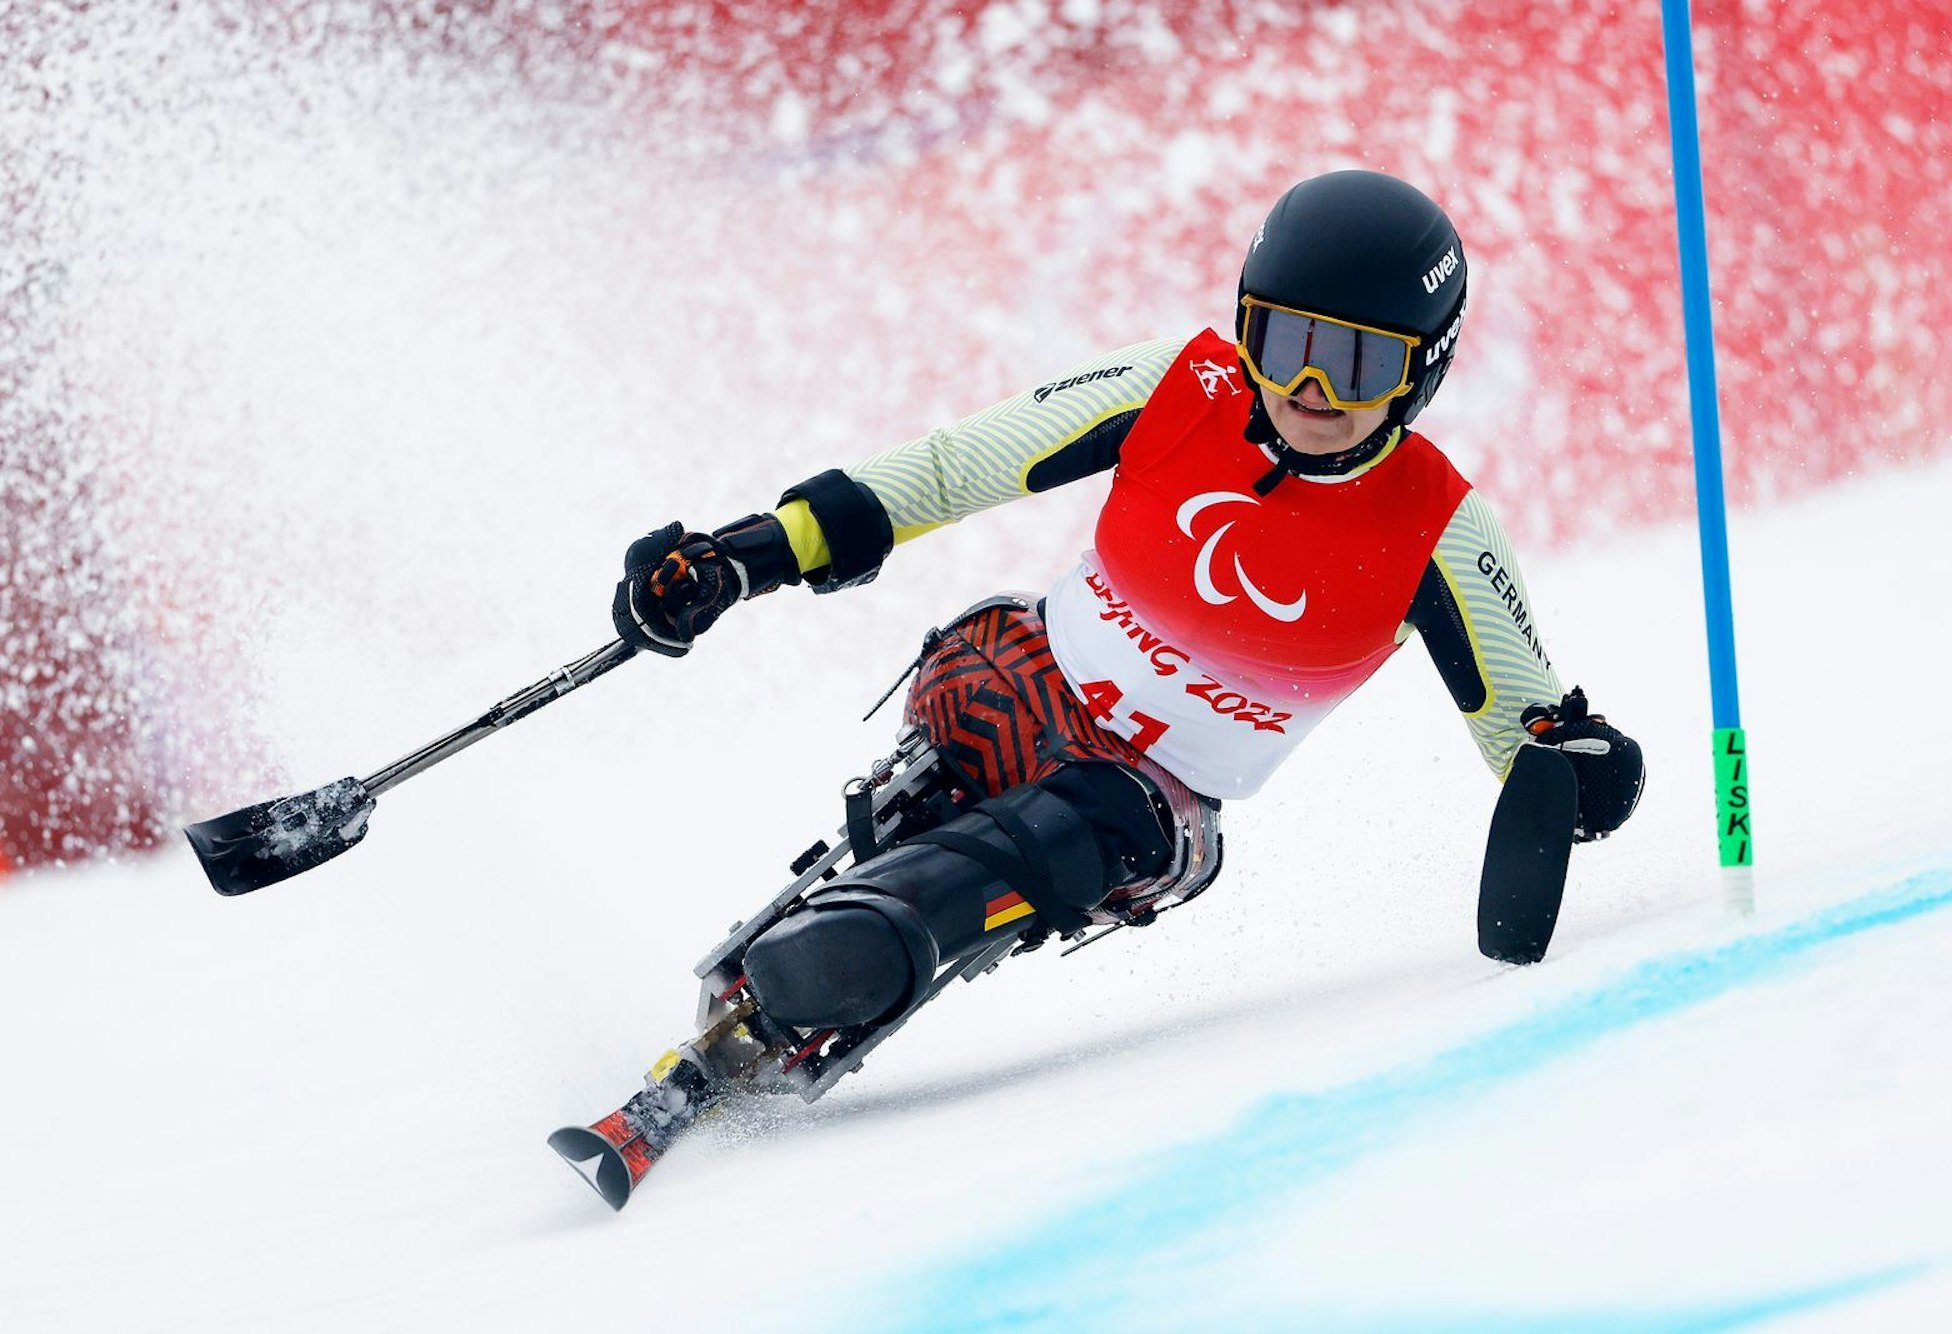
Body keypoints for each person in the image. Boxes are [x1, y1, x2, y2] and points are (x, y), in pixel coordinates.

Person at [610, 169, 1644, 1086]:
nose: (1307, 390)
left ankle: (860, 952)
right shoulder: (1178, 385)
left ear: (1426, 367)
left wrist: (1588, 773)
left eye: (1358, 365)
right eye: (1281, 343)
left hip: (1149, 803)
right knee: (977, 742)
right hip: (1012, 678)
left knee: (1078, 822)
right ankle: (836, 925)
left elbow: (1531, 739)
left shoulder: (1441, 531)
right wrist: (747, 554)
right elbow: (947, 470)